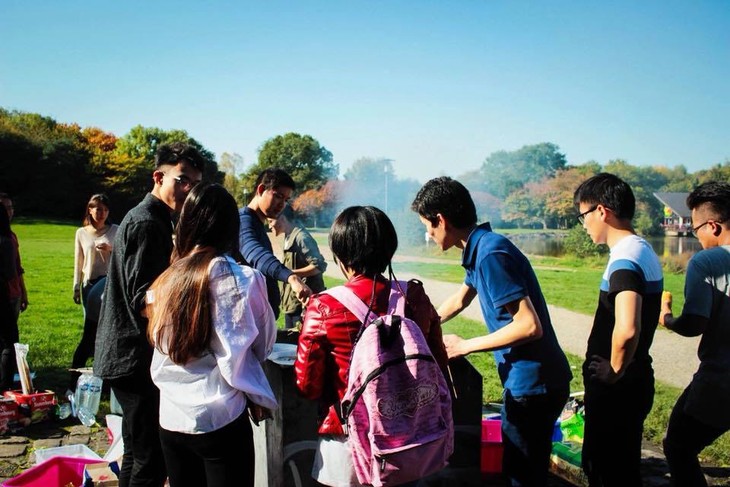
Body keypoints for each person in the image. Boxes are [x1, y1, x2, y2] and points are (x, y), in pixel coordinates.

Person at [411, 176, 571, 487]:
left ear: (441, 220)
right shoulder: (477, 247)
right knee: (525, 469)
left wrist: (464, 346)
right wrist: (420, 328)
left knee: (521, 475)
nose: (428, 234)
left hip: (534, 385)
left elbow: (529, 326)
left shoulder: (491, 254)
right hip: (530, 382)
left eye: (427, 226)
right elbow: (459, 300)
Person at [295, 205, 449, 487]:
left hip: (348, 447)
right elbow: (438, 360)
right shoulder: (413, 295)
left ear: (340, 255)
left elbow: (308, 386)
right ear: (389, 249)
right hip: (409, 444)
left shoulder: (324, 306)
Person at [148, 183, 277, 487]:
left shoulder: (165, 278)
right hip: (221, 417)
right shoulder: (243, 279)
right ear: (230, 229)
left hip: (171, 417)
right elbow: (263, 343)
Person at [94, 142, 205, 487]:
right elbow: (144, 299)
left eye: (194, 185)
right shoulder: (147, 223)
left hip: (126, 355)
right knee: (151, 459)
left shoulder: (155, 219)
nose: (188, 191)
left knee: (136, 452)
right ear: (159, 177)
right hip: (132, 357)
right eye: (182, 180)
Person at [573, 173, 663, 487]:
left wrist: (613, 371)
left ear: (602, 211)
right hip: (633, 381)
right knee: (623, 468)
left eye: (583, 215)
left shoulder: (625, 258)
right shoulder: (642, 249)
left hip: (618, 390)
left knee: (607, 472)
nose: (583, 223)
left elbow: (627, 329)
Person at [659, 181, 730, 487]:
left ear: (713, 226)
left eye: (696, 228)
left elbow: (694, 325)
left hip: (721, 380)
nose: (695, 236)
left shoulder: (707, 261)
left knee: (678, 445)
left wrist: (668, 319)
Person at [239, 168, 311, 319]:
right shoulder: (243, 220)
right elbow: (254, 252)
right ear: (261, 189)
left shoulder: (257, 222)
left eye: (286, 200)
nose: (282, 205)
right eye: (278, 196)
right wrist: (291, 277)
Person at [71, 194, 118, 378]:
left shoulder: (116, 230)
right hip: (89, 284)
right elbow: (78, 260)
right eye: (98, 209)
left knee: (106, 330)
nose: (102, 213)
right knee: (90, 329)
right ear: (90, 209)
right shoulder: (81, 233)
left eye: (105, 210)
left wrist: (111, 249)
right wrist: (76, 286)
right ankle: (86, 370)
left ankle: (102, 370)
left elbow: (125, 255)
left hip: (109, 284)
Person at [268, 205, 327, 329]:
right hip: (292, 304)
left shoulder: (301, 237)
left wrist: (289, 274)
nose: (269, 226)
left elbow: (319, 266)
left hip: (303, 306)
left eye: (271, 221)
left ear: (282, 219)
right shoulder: (288, 236)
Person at [0, 193, 28, 323]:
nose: (9, 212)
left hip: (14, 295)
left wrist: (23, 292)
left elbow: (17, 266)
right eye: (4, 208)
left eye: (10, 208)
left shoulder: (12, 236)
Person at [0, 207, 19, 392]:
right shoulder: (6, 241)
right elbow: (11, 272)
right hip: (2, 295)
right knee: (9, 342)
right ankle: (4, 386)